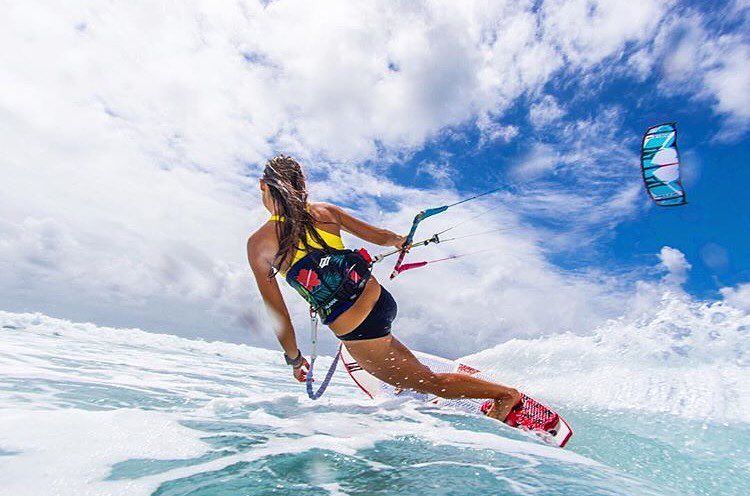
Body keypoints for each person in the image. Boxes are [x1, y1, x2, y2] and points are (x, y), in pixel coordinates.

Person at [247, 155, 521, 421]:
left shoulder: (259, 243)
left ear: (263, 185)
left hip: (356, 327)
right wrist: (399, 240)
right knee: (398, 363)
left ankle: (504, 396)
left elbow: (278, 313)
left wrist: (295, 360)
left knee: (430, 382)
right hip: (378, 300)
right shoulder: (324, 212)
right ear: (301, 184)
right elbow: (381, 236)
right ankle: (406, 380)